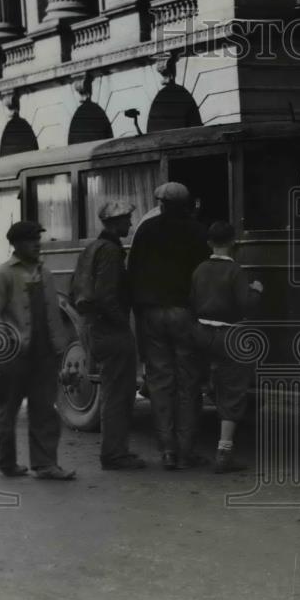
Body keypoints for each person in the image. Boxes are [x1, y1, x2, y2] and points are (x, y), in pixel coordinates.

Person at [0, 220, 75, 480]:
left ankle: (45, 465)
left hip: (44, 355)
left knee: (45, 409)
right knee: (7, 411)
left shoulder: (44, 273)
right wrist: (10, 345)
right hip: (14, 358)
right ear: (16, 244)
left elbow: (53, 315)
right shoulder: (3, 274)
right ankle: (5, 462)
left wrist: (60, 346)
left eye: (38, 238)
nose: (37, 244)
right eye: (30, 240)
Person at [127, 182, 210, 470]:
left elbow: (133, 271)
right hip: (185, 313)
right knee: (189, 383)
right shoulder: (199, 232)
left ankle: (167, 452)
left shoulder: (147, 231)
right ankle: (187, 451)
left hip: (151, 314)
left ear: (161, 204)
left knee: (161, 383)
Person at [71, 201, 146, 471]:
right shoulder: (111, 252)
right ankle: (114, 454)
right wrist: (121, 326)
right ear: (115, 223)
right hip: (110, 331)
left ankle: (114, 452)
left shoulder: (92, 248)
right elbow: (107, 296)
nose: (129, 224)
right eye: (126, 219)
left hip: (94, 328)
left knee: (113, 392)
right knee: (119, 395)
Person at [189, 220, 264, 473]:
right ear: (234, 242)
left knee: (204, 383)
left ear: (209, 243)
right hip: (228, 336)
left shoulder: (199, 269)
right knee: (234, 389)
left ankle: (186, 445)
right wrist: (256, 291)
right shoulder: (236, 272)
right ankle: (224, 452)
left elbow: (192, 300)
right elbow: (246, 306)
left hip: (201, 333)